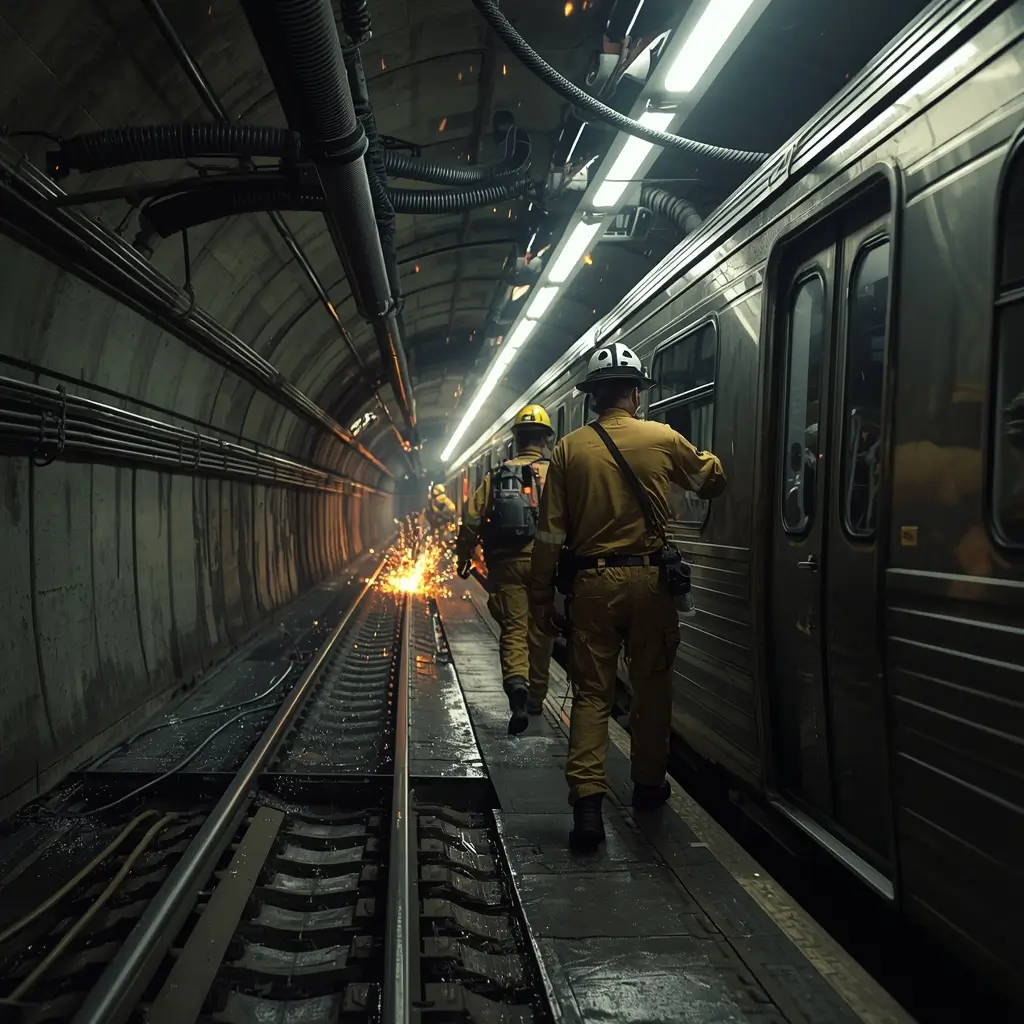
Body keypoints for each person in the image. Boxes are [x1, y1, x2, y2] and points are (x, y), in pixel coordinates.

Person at [528, 342, 727, 849]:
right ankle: (647, 787)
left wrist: (541, 598)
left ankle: (587, 806)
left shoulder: (568, 449)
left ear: (593, 397)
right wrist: (701, 456)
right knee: (651, 689)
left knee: (592, 695)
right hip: (651, 584)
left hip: (592, 588)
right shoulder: (662, 437)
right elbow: (711, 481)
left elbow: (550, 534)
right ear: (636, 392)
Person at [456, 405, 556, 735]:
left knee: (514, 629)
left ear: (516, 440)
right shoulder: (556, 475)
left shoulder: (496, 477)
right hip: (546, 565)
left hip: (506, 564)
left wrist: (463, 554)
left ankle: (517, 685)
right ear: (545, 439)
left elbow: (471, 520)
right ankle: (536, 699)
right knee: (542, 631)